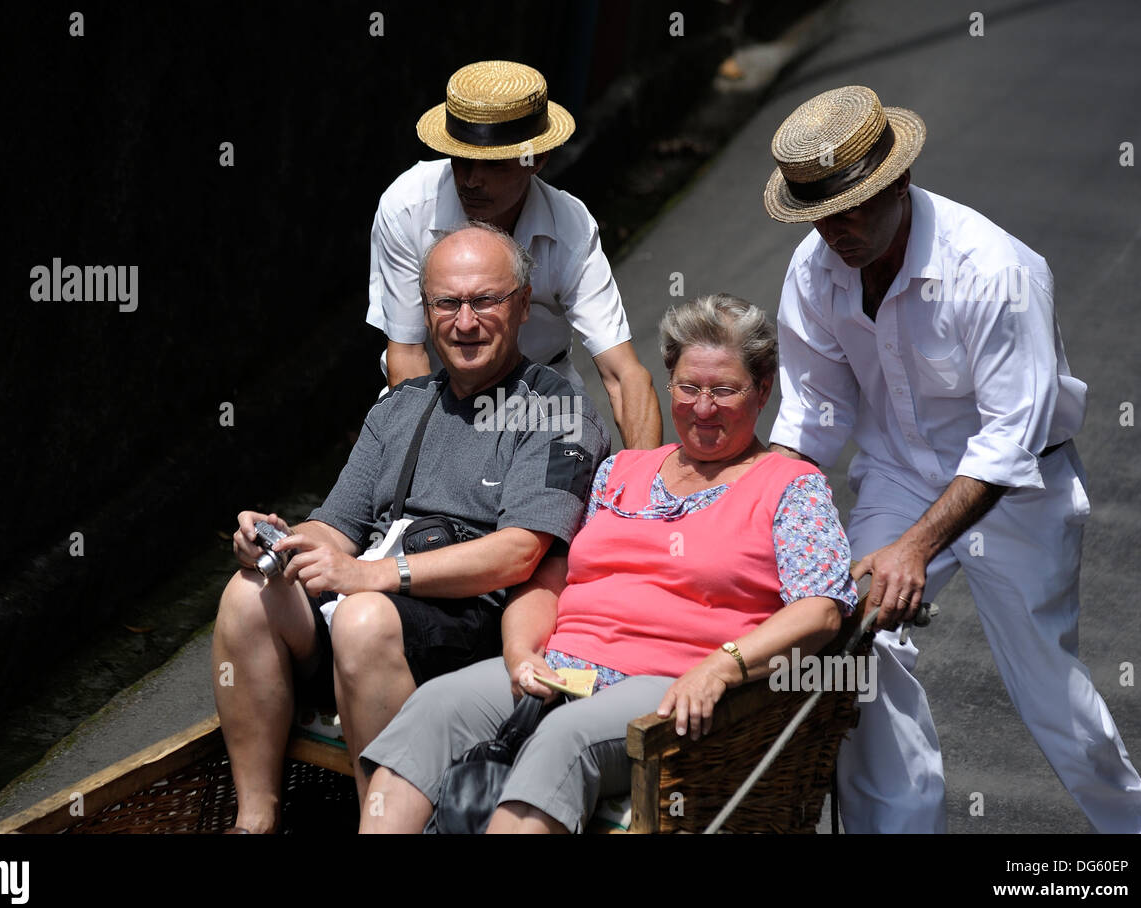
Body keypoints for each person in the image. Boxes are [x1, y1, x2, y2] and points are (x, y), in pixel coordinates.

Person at [762, 85, 1141, 832]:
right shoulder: (813, 269)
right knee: (850, 642)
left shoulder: (997, 269)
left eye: (853, 208)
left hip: (1017, 488)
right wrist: (758, 512)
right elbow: (814, 415)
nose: (839, 231)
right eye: (821, 215)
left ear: (898, 182)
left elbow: (1007, 438)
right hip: (895, 472)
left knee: (1049, 693)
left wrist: (914, 549)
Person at [358, 294, 859, 833]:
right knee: (436, 707)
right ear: (670, 384)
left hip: (670, 679)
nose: (703, 407)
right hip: (569, 666)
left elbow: (821, 611)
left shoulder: (791, 487)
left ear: (763, 391)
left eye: (725, 390)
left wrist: (722, 665)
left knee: (562, 740)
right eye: (689, 387)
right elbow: (550, 576)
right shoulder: (620, 470)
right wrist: (521, 651)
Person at [212, 222, 608, 832]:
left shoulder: (557, 410)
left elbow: (519, 553)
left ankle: (388, 820)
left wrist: (374, 575)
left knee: (366, 618)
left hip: (469, 621)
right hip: (370, 604)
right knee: (246, 596)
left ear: (524, 305)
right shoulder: (401, 405)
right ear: (426, 313)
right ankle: (255, 820)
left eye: (485, 300)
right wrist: (274, 538)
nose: (465, 321)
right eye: (447, 303)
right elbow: (335, 530)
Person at [368, 59, 662, 450]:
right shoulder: (406, 207)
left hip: (544, 406)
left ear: (536, 160)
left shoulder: (571, 226)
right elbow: (406, 358)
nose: (471, 180)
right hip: (430, 398)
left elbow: (624, 375)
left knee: (562, 502)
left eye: (492, 165)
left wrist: (647, 492)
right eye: (461, 159)